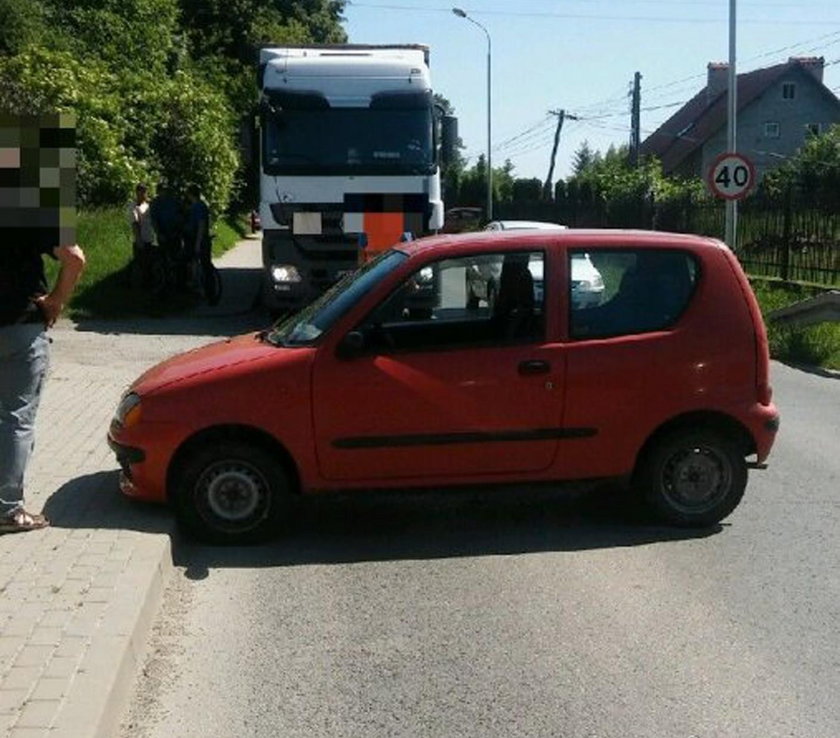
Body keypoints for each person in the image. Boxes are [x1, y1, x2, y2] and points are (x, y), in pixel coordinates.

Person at [0, 239, 86, 533]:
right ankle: (8, 509)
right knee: (16, 417)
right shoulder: (33, 197)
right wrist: (56, 300)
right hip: (19, 326)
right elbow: (74, 258)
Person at [150, 182, 184, 290]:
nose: (163, 192)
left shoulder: (174, 200)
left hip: (175, 233)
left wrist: (179, 229)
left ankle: (179, 282)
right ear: (158, 191)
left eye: (165, 190)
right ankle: (165, 282)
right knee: (165, 258)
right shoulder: (155, 203)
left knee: (177, 257)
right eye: (161, 190)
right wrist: (159, 233)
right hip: (163, 233)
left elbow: (181, 214)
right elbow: (154, 220)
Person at [127, 183, 155, 286]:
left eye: (144, 193)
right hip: (140, 239)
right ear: (137, 193)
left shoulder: (147, 205)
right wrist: (138, 239)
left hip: (149, 238)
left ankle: (147, 282)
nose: (143, 195)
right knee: (140, 263)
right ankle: (139, 284)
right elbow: (135, 223)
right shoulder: (133, 206)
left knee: (148, 262)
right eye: (141, 193)